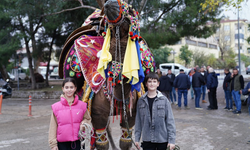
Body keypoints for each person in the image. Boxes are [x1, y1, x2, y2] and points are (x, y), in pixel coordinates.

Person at [135, 73, 176, 150]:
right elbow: (138, 121)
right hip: (147, 140)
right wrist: (137, 138)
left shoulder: (164, 100)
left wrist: (172, 141)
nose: (152, 84)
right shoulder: (141, 101)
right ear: (146, 84)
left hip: (162, 140)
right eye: (149, 81)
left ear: (158, 84)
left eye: (154, 81)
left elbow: (170, 121)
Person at [49, 77, 91, 150]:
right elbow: (53, 126)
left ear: (75, 88)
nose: (69, 90)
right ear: (63, 89)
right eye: (67, 87)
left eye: (71, 87)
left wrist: (84, 124)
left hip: (78, 142)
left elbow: (88, 119)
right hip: (62, 144)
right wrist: (53, 144)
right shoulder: (56, 107)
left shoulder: (82, 105)